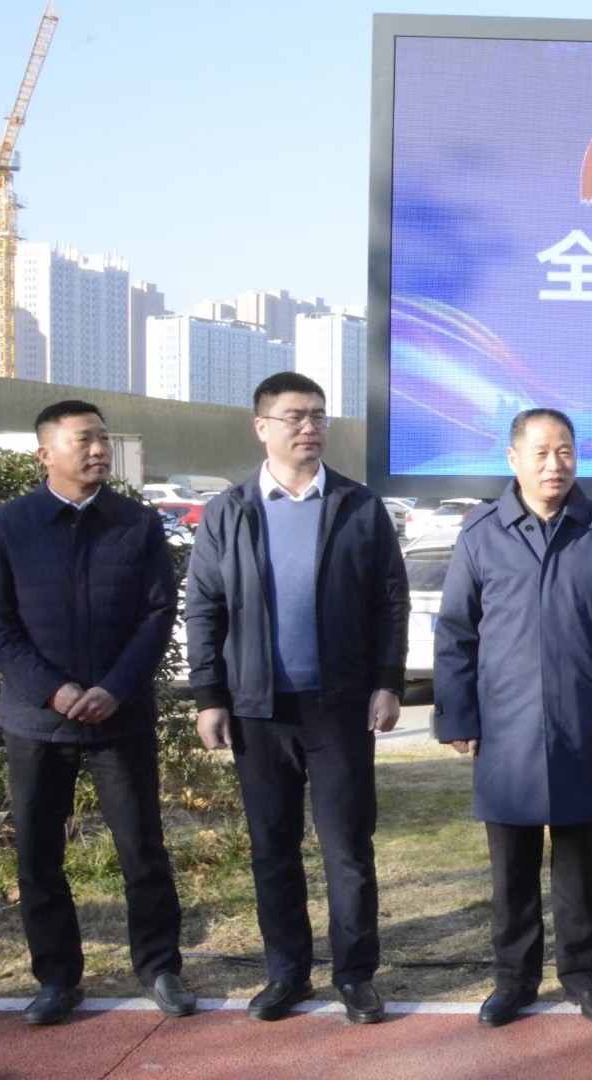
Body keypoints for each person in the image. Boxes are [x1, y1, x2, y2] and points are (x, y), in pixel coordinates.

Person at [186, 373, 409, 1024]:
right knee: (272, 849)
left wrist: (388, 682)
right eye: (294, 416)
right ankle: (286, 973)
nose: (309, 427)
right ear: (262, 427)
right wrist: (209, 695)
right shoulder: (229, 511)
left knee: (348, 848)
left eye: (318, 415)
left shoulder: (357, 506)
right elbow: (204, 607)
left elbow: (389, 601)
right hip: (258, 708)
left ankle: (355, 975)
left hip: (338, 707)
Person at [0, 401, 193, 1026]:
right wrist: (52, 691)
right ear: (46, 453)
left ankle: (160, 967)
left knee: (141, 848)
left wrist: (116, 688)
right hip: (37, 721)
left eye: (103, 439)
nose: (99, 450)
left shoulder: (136, 523)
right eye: (84, 440)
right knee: (39, 855)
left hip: (120, 718)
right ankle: (56, 979)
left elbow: (158, 613)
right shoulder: (9, 524)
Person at [435, 408, 592, 1027]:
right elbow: (456, 630)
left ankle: (585, 976)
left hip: (583, 721)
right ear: (513, 459)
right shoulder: (481, 532)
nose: (555, 465)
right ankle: (514, 980)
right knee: (511, 867)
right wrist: (457, 715)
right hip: (505, 726)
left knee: (581, 865)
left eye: (565, 452)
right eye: (541, 453)